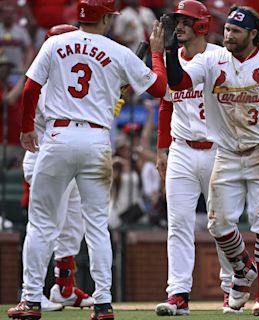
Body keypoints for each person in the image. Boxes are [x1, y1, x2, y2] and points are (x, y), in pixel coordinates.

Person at [10, 0, 167, 319]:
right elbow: (160, 88)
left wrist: (26, 129)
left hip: (57, 136)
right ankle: (104, 302)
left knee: (41, 223)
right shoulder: (118, 50)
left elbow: (29, 89)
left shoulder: (55, 42)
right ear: (107, 17)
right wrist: (157, 52)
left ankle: (31, 299)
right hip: (96, 139)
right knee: (96, 225)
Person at [163, 5, 259, 316]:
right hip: (225, 151)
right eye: (226, 29)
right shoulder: (212, 59)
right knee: (218, 223)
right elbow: (180, 84)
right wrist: (171, 53)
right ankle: (243, 269)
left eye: (236, 31)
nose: (228, 35)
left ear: (253, 34)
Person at [7, 24, 96, 318]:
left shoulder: (66, 81)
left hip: (66, 161)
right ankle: (30, 293)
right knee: (46, 229)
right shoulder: (44, 81)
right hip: (46, 162)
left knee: (72, 227)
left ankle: (65, 287)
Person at [154, 1, 237, 316]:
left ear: (202, 24)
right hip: (181, 150)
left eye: (186, 20)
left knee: (223, 223)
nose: (180, 25)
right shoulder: (173, 59)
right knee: (178, 224)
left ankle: (231, 289)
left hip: (218, 149)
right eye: (177, 20)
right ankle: (178, 294)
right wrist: (162, 149)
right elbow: (166, 104)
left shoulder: (220, 57)